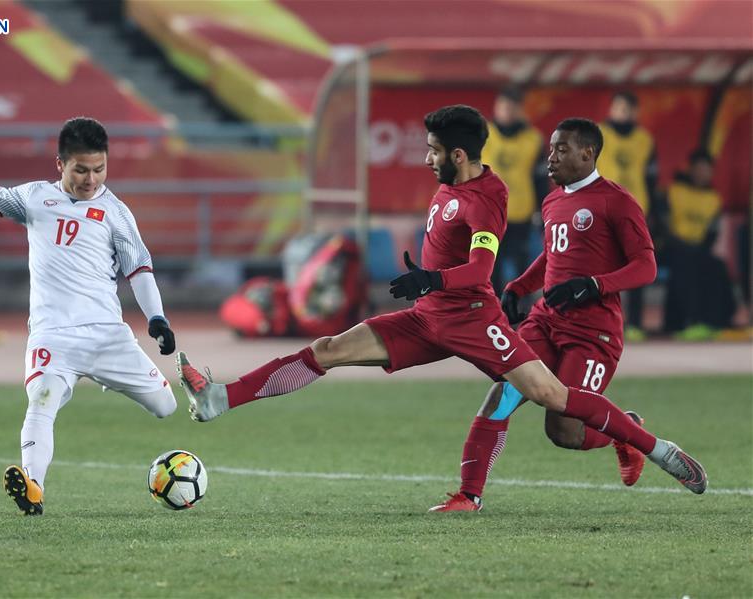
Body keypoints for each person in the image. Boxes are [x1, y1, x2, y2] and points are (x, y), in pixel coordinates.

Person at [175, 105, 708, 512]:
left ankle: (655, 447)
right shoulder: (488, 191)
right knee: (329, 349)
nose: (426, 157)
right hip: (431, 317)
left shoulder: (489, 199)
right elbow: (552, 254)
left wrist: (438, 277)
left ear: (456, 154)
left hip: (478, 321)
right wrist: (522, 285)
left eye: (432, 150)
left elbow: (479, 272)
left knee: (556, 404)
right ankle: (221, 398)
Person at [0, 117, 178, 516]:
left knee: (165, 407)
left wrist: (157, 320)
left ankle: (104, 378)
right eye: (81, 169)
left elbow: (139, 269)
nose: (91, 179)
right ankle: (33, 486)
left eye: (99, 169)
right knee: (41, 402)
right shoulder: (34, 198)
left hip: (107, 337)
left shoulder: (116, 212)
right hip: (54, 336)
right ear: (60, 164)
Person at [445, 118, 657, 511]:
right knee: (502, 392)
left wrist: (595, 285)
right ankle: (468, 496)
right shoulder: (553, 199)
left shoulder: (617, 201)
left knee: (563, 430)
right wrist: (519, 287)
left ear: (587, 154)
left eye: (561, 149)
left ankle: (624, 431)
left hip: (593, 333)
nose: (551, 157)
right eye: (550, 148)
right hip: (546, 320)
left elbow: (646, 266)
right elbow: (553, 255)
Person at [597, 91, 659, 339]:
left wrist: (654, 211)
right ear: (611, 109)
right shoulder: (598, 134)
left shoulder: (644, 139)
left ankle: (636, 324)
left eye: (628, 109)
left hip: (636, 212)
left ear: (636, 112)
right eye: (619, 107)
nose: (623, 113)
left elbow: (652, 178)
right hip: (603, 211)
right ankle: (603, 323)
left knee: (639, 265)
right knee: (601, 268)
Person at [662, 149, 736, 337]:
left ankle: (716, 321)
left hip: (697, 249)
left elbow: (712, 233)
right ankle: (689, 320)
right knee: (686, 261)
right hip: (670, 247)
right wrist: (679, 243)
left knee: (717, 266)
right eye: (699, 169)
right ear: (691, 169)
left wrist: (699, 249)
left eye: (707, 169)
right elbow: (662, 224)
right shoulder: (674, 191)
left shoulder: (714, 199)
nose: (703, 173)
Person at [484, 87, 548, 295]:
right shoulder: (482, 135)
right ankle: (491, 318)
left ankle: (519, 316)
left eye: (512, 108)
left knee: (522, 267)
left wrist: (543, 211)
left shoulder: (533, 139)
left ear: (520, 110)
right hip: (488, 214)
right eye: (503, 107)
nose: (507, 112)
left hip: (521, 212)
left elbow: (541, 180)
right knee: (490, 268)